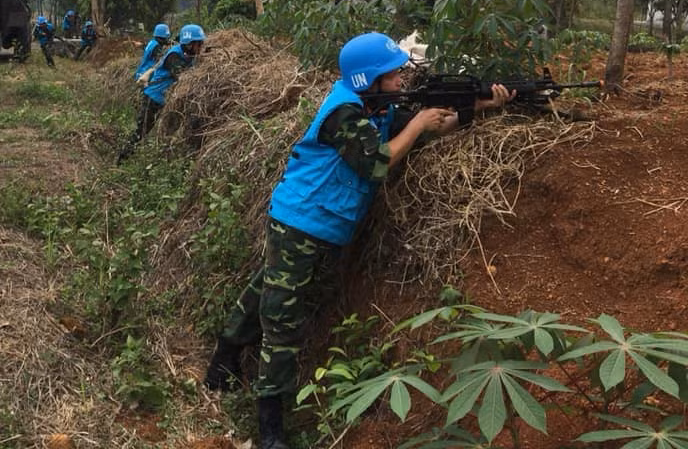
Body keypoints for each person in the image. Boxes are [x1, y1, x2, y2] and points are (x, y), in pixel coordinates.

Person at [203, 32, 514, 449]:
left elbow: (433, 129)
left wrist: (477, 107)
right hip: (301, 221)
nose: (401, 79)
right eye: (393, 74)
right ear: (369, 79)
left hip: (324, 224)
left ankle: (223, 358)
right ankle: (270, 428)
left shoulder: (378, 107)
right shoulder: (344, 113)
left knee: (270, 288)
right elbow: (376, 164)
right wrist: (417, 123)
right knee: (283, 319)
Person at [118, 23, 205, 163]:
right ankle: (122, 159)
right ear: (189, 44)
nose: (201, 47)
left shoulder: (188, 55)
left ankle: (165, 160)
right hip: (153, 99)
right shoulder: (174, 56)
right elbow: (183, 77)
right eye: (199, 44)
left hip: (164, 100)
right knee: (142, 131)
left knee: (170, 131)